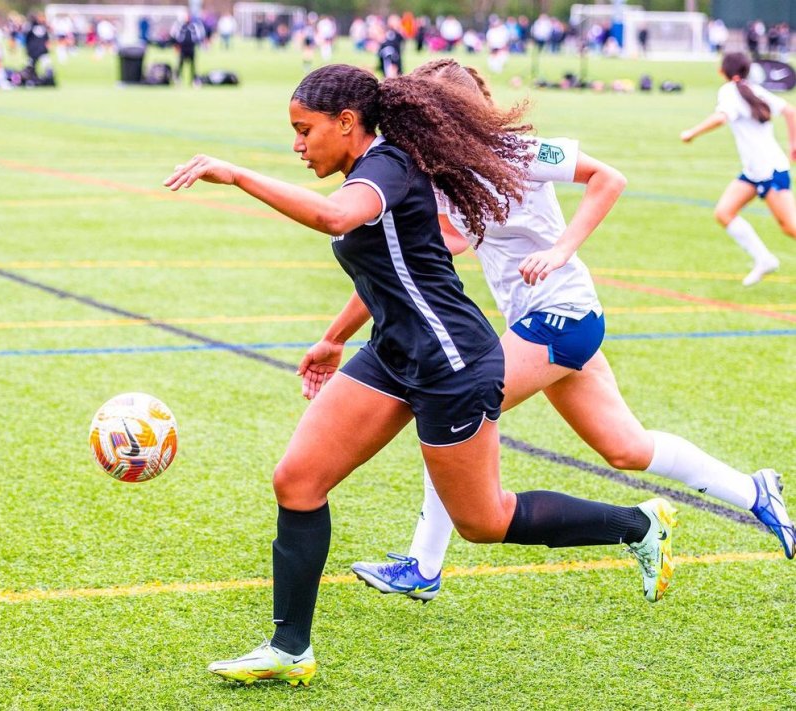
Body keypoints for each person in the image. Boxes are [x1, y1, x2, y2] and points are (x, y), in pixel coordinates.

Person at [164, 64, 678, 687]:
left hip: (451, 363)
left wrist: (237, 174)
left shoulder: (382, 168)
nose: (297, 145)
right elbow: (393, 268)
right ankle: (289, 650)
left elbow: (334, 219)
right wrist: (333, 339)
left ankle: (637, 524)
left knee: (482, 522)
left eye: (305, 130)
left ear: (347, 123)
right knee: (297, 480)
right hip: (394, 352)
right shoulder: (379, 167)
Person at [335, 60, 795, 602]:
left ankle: (423, 565)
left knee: (455, 409)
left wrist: (561, 249)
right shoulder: (445, 177)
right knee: (626, 448)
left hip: (564, 317)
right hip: (541, 324)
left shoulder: (522, 152)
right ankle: (753, 490)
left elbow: (608, 178)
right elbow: (426, 256)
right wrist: (339, 327)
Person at [681, 52, 796, 286]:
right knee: (724, 212)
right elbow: (790, 111)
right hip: (754, 172)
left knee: (790, 227)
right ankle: (764, 259)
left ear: (722, 70)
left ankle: (764, 259)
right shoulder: (751, 88)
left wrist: (692, 133)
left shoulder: (730, 91)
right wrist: (793, 144)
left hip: (770, 172)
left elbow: (721, 118)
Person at [171, 13, 205, 85]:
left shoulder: (193, 26)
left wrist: (197, 42)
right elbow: (175, 35)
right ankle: (177, 79)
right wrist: (177, 44)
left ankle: (194, 80)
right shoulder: (181, 26)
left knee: (193, 65)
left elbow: (199, 35)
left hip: (191, 48)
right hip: (183, 48)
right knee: (180, 64)